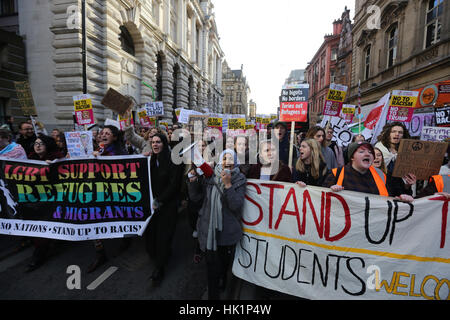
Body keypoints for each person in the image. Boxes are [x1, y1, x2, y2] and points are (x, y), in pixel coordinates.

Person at [187, 149, 247, 300]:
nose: (228, 162)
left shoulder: (240, 179)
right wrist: (193, 183)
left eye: (231, 159)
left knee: (223, 265)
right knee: (211, 269)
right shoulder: (210, 177)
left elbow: (235, 205)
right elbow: (196, 199)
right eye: (224, 158)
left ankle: (223, 279)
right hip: (209, 230)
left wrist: (228, 185)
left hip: (227, 232)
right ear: (220, 161)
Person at [145, 133, 184, 287]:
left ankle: (159, 270)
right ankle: (161, 256)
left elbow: (174, 185)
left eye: (158, 142)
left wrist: (160, 200)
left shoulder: (174, 159)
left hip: (167, 205)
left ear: (164, 143)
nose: (155, 145)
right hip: (152, 206)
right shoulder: (150, 159)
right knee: (151, 237)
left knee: (163, 237)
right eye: (153, 142)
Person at [88, 125, 128, 273]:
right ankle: (100, 253)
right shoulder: (96, 151)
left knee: (121, 217)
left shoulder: (120, 153)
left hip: (115, 194)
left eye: (107, 133)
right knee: (93, 221)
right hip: (98, 193)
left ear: (115, 137)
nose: (103, 135)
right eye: (101, 133)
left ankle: (126, 238)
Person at [322, 141, 413, 202]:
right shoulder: (335, 174)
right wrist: (331, 190)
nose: (367, 154)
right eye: (361, 152)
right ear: (352, 157)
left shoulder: (381, 175)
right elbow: (321, 200)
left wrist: (405, 195)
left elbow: (394, 198)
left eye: (370, 152)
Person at [26, 134, 65, 272]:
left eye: (41, 143)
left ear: (48, 145)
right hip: (36, 198)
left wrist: (53, 167)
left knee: (48, 223)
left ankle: (40, 253)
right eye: (36, 143)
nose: (37, 145)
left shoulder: (58, 157)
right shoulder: (30, 159)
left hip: (54, 198)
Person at [374, 122, 416, 197]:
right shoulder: (378, 149)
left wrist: (407, 185)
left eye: (400, 132)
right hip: (381, 192)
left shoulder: (406, 152)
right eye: (393, 131)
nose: (397, 134)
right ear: (387, 134)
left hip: (400, 193)